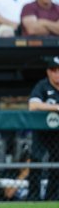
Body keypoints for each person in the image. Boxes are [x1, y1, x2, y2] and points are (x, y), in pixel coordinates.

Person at [28, 55, 59, 201]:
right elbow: (33, 106)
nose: (57, 73)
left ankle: (53, 197)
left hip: (58, 135)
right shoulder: (42, 85)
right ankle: (33, 197)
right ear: (48, 72)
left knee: (57, 165)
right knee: (36, 160)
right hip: (42, 132)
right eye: (53, 70)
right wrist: (56, 107)